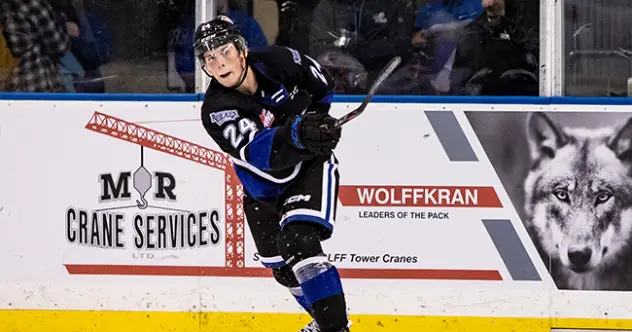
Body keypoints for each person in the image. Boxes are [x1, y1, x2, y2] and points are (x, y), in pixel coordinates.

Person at [197, 17, 351, 332]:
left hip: (308, 168)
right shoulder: (217, 108)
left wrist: (318, 123)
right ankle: (324, 322)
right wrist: (299, 132)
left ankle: (336, 328)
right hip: (262, 190)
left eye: (224, 51)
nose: (219, 62)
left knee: (297, 241)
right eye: (209, 57)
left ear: (241, 50)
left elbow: (321, 88)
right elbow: (262, 153)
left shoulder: (280, 61)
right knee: (283, 269)